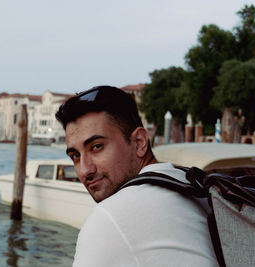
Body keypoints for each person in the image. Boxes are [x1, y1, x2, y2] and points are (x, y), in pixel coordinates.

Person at [55, 86, 218, 266]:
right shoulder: (188, 183)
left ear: (139, 142)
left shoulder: (110, 217)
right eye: (75, 156)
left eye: (96, 147)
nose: (85, 170)